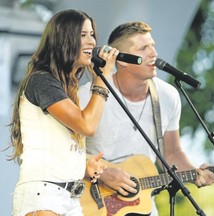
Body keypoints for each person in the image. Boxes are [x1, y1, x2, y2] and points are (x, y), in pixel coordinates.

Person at [78, 21, 214, 215]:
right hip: (93, 204)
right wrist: (102, 174)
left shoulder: (168, 96)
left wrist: (195, 173)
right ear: (123, 59)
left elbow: (172, 152)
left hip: (142, 205)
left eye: (153, 46)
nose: (153, 53)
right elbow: (64, 153)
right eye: (143, 48)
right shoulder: (88, 96)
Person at [8, 9, 119, 216]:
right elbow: (87, 125)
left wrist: (82, 165)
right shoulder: (41, 81)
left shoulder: (67, 88)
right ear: (63, 40)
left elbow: (55, 142)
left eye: (92, 34)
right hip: (44, 194)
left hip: (69, 197)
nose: (92, 42)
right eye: (83, 35)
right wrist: (101, 78)